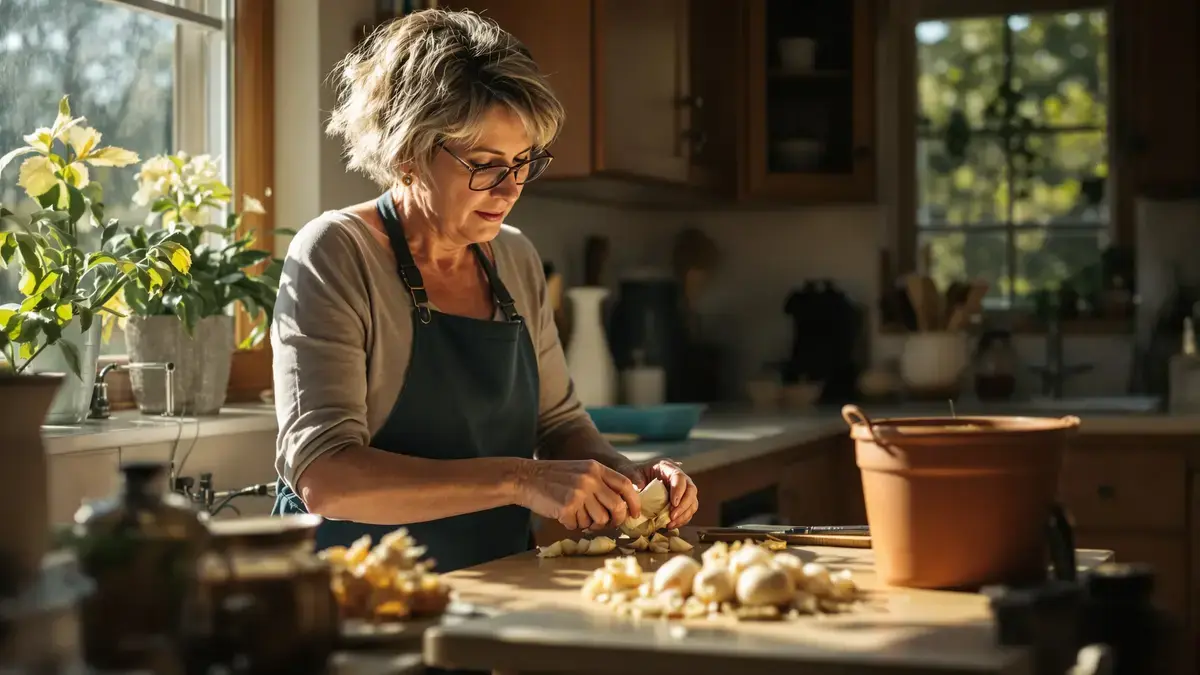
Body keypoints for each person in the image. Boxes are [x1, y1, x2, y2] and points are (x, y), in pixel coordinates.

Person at [270, 8, 699, 573]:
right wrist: (522, 479)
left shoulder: (515, 257)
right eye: (485, 164)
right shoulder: (335, 252)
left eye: (524, 163)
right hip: (357, 596)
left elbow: (561, 424)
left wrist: (624, 476)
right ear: (407, 155)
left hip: (498, 582)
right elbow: (327, 477)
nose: (511, 188)